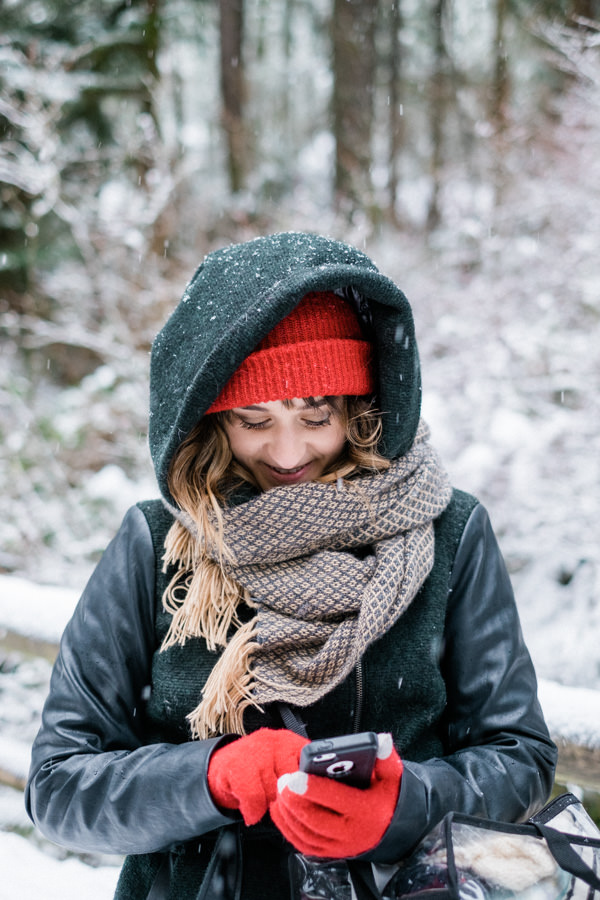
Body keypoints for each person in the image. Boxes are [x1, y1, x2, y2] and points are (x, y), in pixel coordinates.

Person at [26, 232, 557, 900]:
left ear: (360, 403)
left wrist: (403, 808)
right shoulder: (155, 543)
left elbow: (520, 757)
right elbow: (59, 787)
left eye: (316, 414)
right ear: (210, 418)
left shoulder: (449, 532)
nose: (286, 450)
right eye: (253, 419)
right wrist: (213, 778)